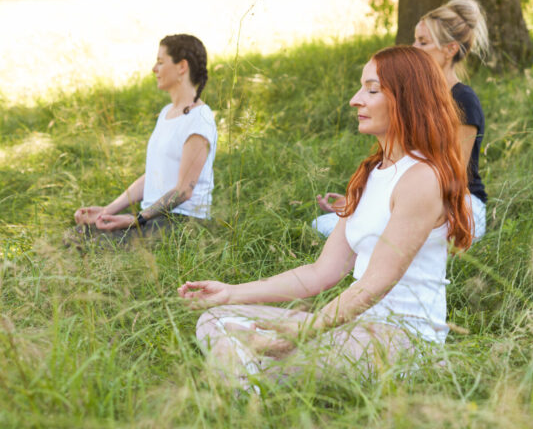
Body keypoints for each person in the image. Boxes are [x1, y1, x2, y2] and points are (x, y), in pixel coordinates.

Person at [179, 46, 472, 388]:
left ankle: (241, 393)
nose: (355, 99)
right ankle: (244, 383)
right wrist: (231, 292)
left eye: (371, 90)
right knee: (215, 318)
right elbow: (321, 272)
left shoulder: (421, 178)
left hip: (402, 339)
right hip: (354, 324)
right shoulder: (373, 172)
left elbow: (375, 284)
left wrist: (307, 330)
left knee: (259, 363)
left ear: (408, 99)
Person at [313, 0, 489, 242]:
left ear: (450, 49)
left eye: (423, 42)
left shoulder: (463, 100)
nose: (414, 47)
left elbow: (452, 175)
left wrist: (384, 208)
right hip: (413, 195)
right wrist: (363, 201)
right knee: (324, 224)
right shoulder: (413, 96)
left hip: (458, 204)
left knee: (370, 233)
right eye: (415, 39)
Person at [67, 34, 217, 249]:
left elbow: (184, 191)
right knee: (76, 234)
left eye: (161, 61)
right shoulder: (168, 113)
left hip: (181, 223)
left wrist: (136, 219)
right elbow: (155, 174)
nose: (154, 68)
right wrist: (108, 210)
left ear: (181, 67)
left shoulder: (199, 120)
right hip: (153, 219)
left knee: (87, 244)